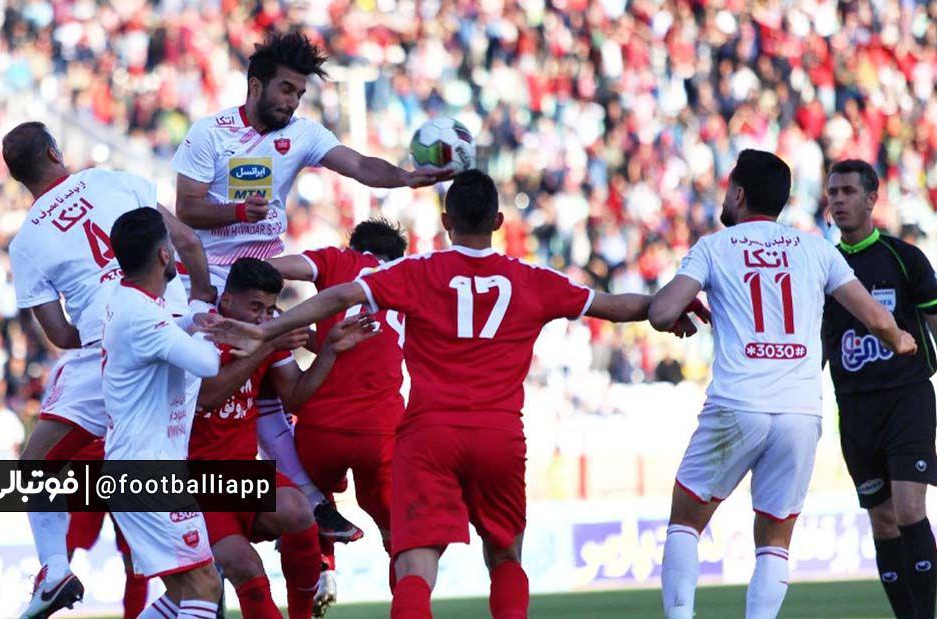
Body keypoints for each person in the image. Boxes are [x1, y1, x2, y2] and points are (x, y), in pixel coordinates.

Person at [203, 169, 706, 618]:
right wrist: (670, 306)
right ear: (499, 221)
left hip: (424, 437)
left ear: (446, 221)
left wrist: (266, 330)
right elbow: (614, 305)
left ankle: (314, 566)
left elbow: (338, 296)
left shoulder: (417, 272)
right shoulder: (531, 278)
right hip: (498, 437)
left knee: (413, 561)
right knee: (505, 557)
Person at [171, 30, 449, 540]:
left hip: (264, 281)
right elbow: (186, 209)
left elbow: (359, 166)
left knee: (275, 388)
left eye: (299, 93)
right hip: (208, 286)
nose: (292, 101)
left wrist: (405, 178)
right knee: (217, 392)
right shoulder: (209, 134)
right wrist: (237, 212)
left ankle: (307, 508)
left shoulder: (302, 135)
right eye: (285, 89)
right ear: (256, 85)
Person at [647, 149, 919, 619]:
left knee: (686, 521)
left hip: (738, 402)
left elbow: (661, 312)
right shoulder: (816, 249)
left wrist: (683, 308)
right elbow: (876, 318)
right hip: (799, 412)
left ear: (738, 194)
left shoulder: (714, 247)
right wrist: (900, 339)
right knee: (774, 539)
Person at [3, 121, 215, 619]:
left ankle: (55, 569)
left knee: (34, 467)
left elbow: (59, 333)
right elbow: (186, 240)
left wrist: (109, 332)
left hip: (104, 348)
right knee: (192, 578)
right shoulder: (111, 180)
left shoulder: (26, 241)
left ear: (17, 177)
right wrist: (202, 301)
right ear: (55, 152)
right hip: (174, 332)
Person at [188, 258, 376, 619]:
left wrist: (329, 350)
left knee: (299, 511)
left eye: (270, 309)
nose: (263, 318)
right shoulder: (203, 332)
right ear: (226, 301)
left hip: (243, 475)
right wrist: (267, 342)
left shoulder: (266, 338)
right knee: (247, 567)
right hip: (197, 482)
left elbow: (294, 397)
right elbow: (209, 395)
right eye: (255, 307)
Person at [267, 218, 409, 614]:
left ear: (356, 248)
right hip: (381, 430)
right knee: (398, 534)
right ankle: (408, 605)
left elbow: (278, 267)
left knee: (309, 506)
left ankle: (322, 569)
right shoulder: (408, 277)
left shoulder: (339, 261)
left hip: (321, 425)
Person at [823, 159, 937, 619]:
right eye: (833, 192)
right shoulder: (822, 266)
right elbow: (816, 342)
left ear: (871, 199)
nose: (838, 200)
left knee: (909, 510)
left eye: (848, 191)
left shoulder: (903, 258)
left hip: (907, 398)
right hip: (855, 410)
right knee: (883, 522)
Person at [102, 207, 223, 619]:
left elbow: (165, 329)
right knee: (205, 585)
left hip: (136, 466)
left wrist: (191, 321)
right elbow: (207, 365)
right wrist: (211, 331)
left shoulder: (129, 299)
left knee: (182, 591)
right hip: (148, 471)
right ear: (164, 255)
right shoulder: (141, 315)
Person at [65, 439, 146, 619]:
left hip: (128, 467)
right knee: (61, 554)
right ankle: (37, 612)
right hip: (88, 467)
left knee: (135, 559)